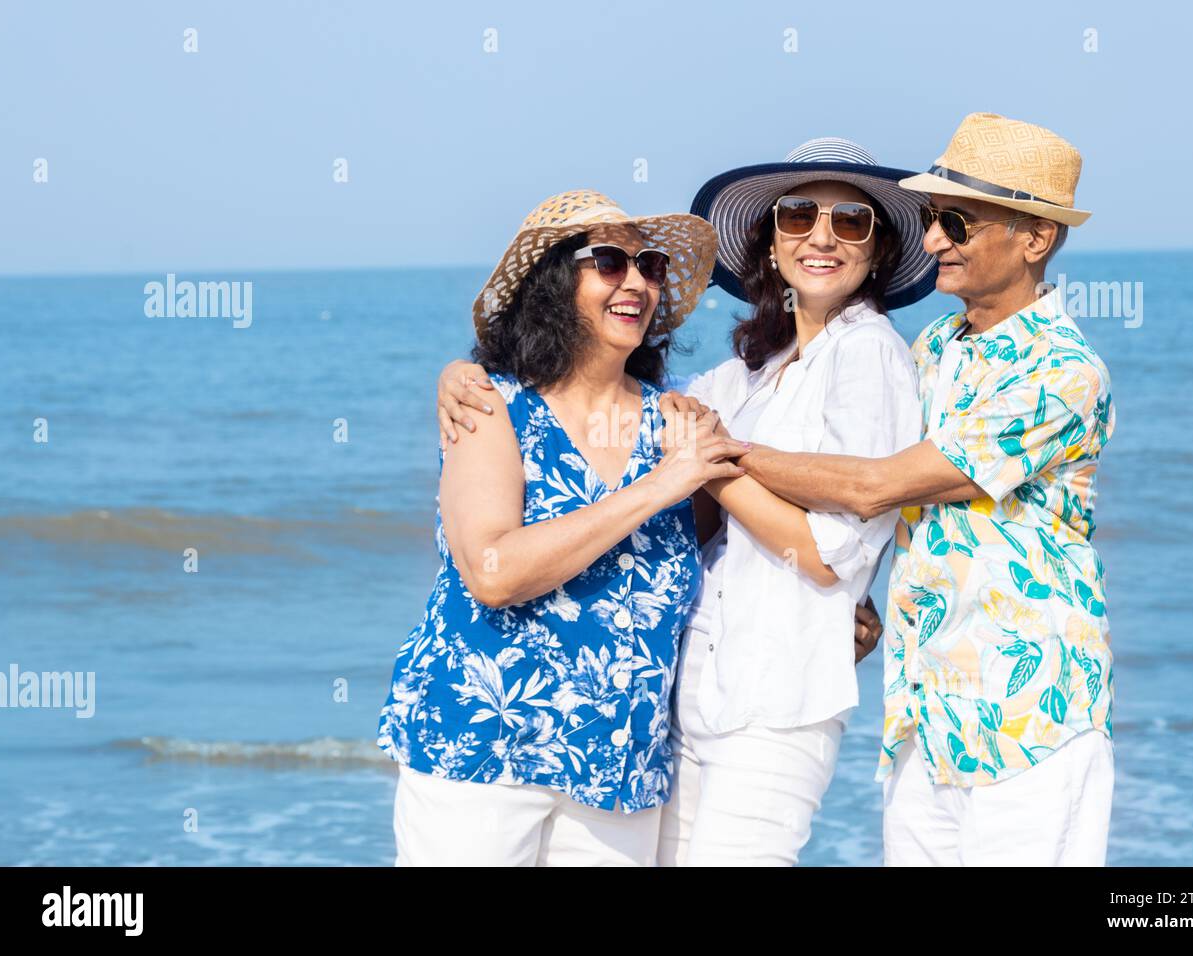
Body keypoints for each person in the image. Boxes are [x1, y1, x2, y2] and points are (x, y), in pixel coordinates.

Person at [436, 139, 938, 864]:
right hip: (689, 696)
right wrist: (460, 374)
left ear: (879, 249)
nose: (821, 236)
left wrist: (717, 469)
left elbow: (830, 552)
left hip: (778, 697)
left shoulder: (869, 352)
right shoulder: (747, 375)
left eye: (851, 222)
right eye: (797, 216)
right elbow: (643, 408)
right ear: (770, 242)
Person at [724, 114, 1117, 866]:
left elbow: (874, 486)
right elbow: (905, 515)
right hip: (923, 719)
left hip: (1030, 719)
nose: (934, 240)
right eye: (935, 219)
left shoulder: (1063, 372)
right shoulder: (934, 346)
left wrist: (718, 454)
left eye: (958, 222)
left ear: (1035, 238)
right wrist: (861, 600)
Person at [376, 190, 746, 866]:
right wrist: (659, 486)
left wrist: (852, 604)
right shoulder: (490, 405)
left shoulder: (681, 423)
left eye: (651, 266)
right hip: (483, 751)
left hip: (622, 772)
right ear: (551, 282)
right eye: (608, 261)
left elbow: (733, 554)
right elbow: (495, 572)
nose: (636, 282)